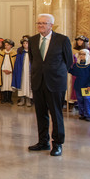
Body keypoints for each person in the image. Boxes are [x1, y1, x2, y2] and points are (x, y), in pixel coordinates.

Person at [28, 13, 72, 157]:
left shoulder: (62, 40)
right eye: (39, 23)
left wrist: (54, 72)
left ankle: (57, 144)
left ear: (51, 25)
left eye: (44, 23)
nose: (40, 25)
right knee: (40, 114)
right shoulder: (33, 40)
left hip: (55, 83)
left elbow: (69, 61)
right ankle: (43, 142)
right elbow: (33, 59)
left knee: (56, 114)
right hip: (38, 82)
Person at [69, 49, 90, 122]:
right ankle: (82, 114)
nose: (81, 56)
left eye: (83, 54)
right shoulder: (77, 64)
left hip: (87, 86)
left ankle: (89, 115)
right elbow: (74, 72)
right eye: (80, 54)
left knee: (87, 100)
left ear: (87, 55)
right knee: (80, 100)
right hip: (78, 85)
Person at [12, 38, 33, 107]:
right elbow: (17, 63)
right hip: (22, 72)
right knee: (22, 84)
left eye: (26, 43)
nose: (25, 45)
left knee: (28, 84)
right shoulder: (20, 52)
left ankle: (28, 99)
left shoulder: (32, 52)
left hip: (29, 72)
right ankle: (22, 99)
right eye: (24, 43)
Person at [0, 39, 16, 104]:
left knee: (10, 85)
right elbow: (0, 63)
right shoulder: (2, 52)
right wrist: (3, 69)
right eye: (5, 45)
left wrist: (10, 70)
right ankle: (4, 98)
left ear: (11, 46)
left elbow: (14, 63)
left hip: (10, 72)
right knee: (4, 85)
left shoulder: (14, 53)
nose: (6, 46)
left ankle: (9, 99)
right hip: (3, 72)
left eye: (7, 45)